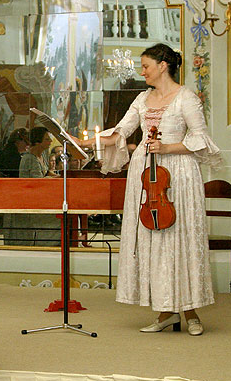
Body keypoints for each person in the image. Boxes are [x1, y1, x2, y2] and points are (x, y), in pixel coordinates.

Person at [82, 43, 221, 336]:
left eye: (145, 65)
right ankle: (165, 312)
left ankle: (191, 311)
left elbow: (201, 139)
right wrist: (82, 142)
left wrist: (168, 146)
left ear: (162, 65)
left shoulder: (186, 98)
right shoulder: (142, 99)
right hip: (146, 173)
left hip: (178, 173)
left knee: (179, 239)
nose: (141, 71)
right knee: (154, 240)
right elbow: (120, 132)